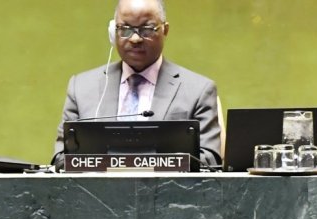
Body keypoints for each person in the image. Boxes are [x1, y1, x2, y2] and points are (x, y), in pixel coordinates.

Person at [52, 0, 222, 167]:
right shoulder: (81, 88)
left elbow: (209, 161)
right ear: (113, 32)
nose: (134, 39)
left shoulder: (198, 91)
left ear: (165, 30)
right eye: (125, 29)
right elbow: (61, 159)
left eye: (146, 29)